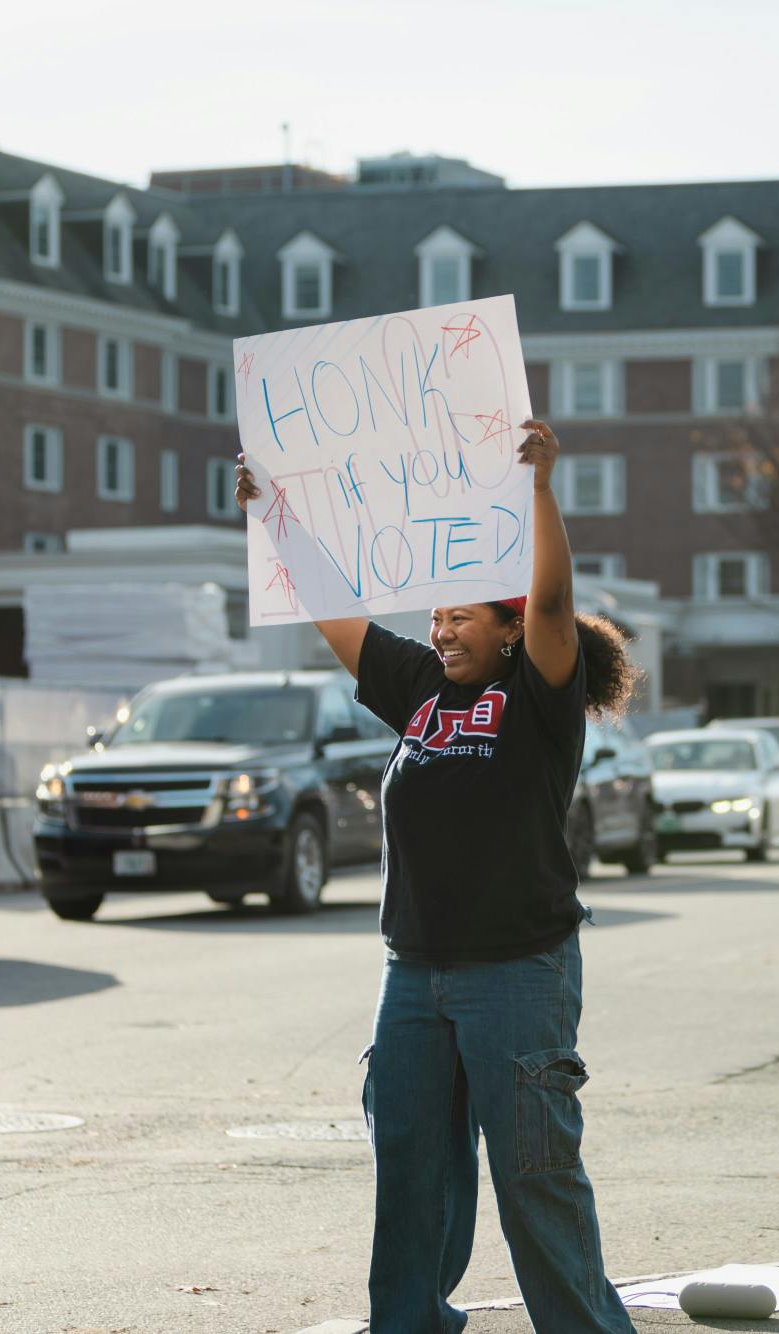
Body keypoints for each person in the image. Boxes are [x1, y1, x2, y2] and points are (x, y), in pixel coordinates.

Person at [236, 419, 641, 1333]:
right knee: (410, 1174)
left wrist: (539, 489)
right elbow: (333, 609)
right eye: (438, 614)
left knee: (534, 1176)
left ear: (508, 630)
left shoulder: (538, 697)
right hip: (412, 972)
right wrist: (274, 520)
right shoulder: (421, 687)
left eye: (463, 614)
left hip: (518, 971)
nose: (441, 627)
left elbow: (552, 598)